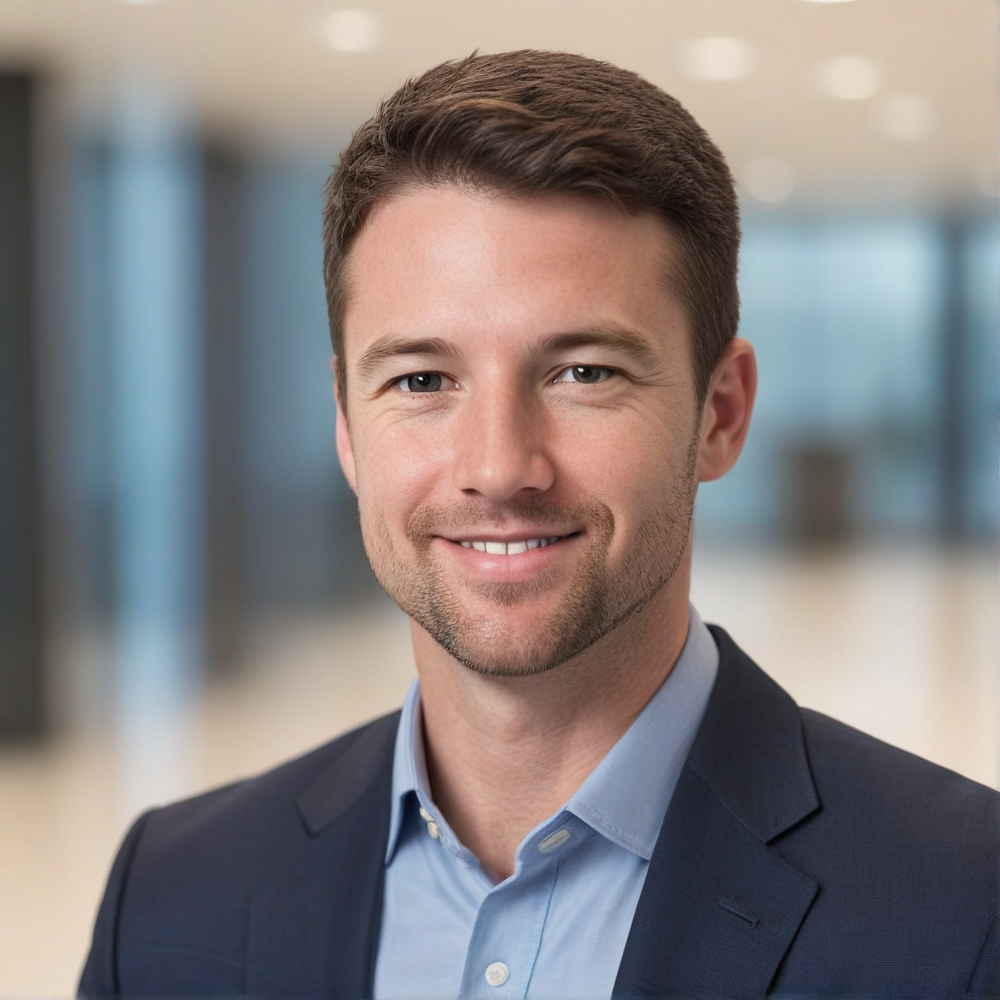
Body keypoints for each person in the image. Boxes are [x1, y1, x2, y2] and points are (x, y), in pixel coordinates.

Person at [80, 50, 998, 999]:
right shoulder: (168, 898)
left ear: (719, 413)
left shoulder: (968, 906)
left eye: (583, 372)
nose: (498, 468)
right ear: (348, 429)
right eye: (422, 381)